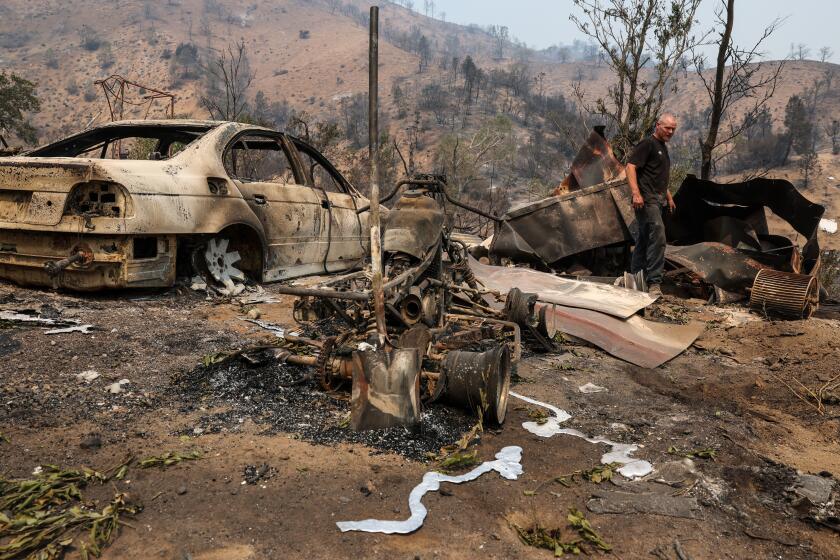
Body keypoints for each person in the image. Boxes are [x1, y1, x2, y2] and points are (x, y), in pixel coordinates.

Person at [626, 114, 677, 297]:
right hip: (646, 199)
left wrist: (669, 197)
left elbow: (659, 176)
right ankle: (654, 282)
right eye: (667, 128)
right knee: (659, 235)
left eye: (673, 129)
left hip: (658, 199)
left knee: (645, 238)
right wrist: (635, 193)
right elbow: (630, 167)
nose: (670, 132)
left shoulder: (662, 148)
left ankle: (635, 277)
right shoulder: (647, 144)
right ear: (658, 125)